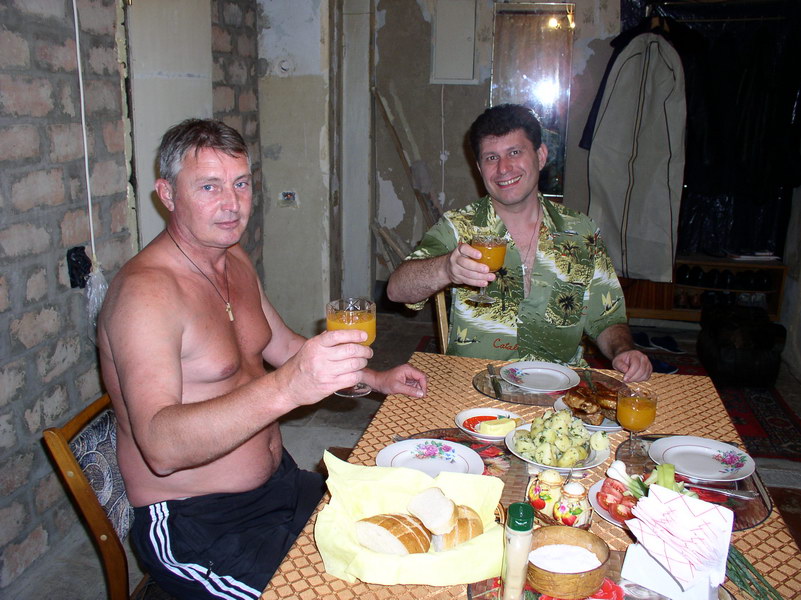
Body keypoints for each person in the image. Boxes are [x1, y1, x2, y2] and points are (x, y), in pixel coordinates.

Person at [97, 118, 428, 599]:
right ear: (167, 194)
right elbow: (160, 448)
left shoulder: (233, 259)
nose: (231, 204)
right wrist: (288, 387)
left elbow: (284, 346)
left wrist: (376, 379)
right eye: (208, 186)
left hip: (281, 485)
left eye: (241, 184)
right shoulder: (145, 295)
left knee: (407, 535)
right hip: (201, 527)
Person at [387, 104, 651, 382]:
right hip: (476, 383)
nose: (503, 168)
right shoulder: (458, 227)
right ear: (479, 168)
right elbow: (396, 290)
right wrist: (446, 269)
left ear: (540, 156)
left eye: (514, 152)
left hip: (562, 385)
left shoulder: (581, 231)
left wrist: (624, 351)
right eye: (491, 157)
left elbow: (607, 318)